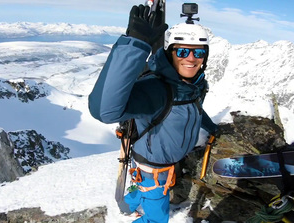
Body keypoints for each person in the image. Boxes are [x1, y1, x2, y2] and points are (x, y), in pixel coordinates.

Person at [89, 4, 219, 223]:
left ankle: (128, 204)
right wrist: (135, 43)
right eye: (182, 51)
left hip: (159, 165)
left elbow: (194, 107)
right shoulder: (156, 89)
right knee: (157, 219)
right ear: (171, 53)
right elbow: (104, 111)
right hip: (153, 169)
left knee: (143, 190)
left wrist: (212, 127)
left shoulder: (194, 85)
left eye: (198, 52)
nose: (191, 58)